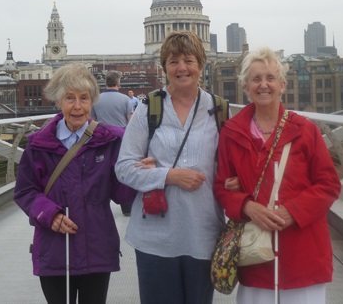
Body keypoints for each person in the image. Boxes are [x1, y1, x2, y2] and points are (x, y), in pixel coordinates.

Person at [214, 48, 341, 304]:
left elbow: (329, 184)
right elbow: (221, 187)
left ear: (282, 85)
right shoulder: (231, 132)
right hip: (255, 259)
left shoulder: (305, 130)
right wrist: (248, 207)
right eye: (256, 79)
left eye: (270, 78)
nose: (264, 85)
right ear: (246, 87)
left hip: (303, 256)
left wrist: (293, 211)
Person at [115, 31, 225, 304]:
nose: (182, 68)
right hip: (155, 237)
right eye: (173, 61)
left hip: (203, 233)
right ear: (164, 67)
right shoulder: (149, 107)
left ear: (202, 64)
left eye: (189, 60)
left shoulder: (219, 110)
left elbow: (229, 168)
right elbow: (124, 168)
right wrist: (168, 175)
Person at [14, 63, 136, 304]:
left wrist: (136, 170)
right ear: (58, 101)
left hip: (97, 248)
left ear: (93, 102)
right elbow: (25, 191)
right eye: (70, 98)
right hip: (54, 249)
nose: (78, 106)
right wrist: (51, 215)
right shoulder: (38, 144)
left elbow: (122, 195)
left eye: (84, 98)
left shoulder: (111, 141)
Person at [91, 70, 134, 216]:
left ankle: (102, 206)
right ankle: (126, 207)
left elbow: (92, 121)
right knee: (122, 173)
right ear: (118, 83)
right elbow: (131, 121)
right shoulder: (125, 100)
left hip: (101, 139)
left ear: (105, 83)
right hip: (121, 140)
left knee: (101, 173)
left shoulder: (96, 99)